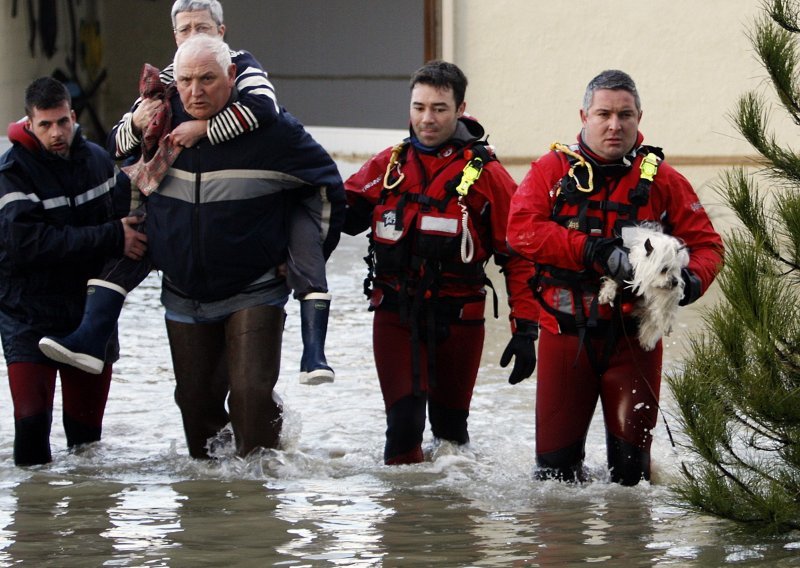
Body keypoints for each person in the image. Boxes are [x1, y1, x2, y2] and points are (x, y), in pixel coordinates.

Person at [40, 0, 338, 385]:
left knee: (253, 390)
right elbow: (118, 145)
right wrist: (135, 121)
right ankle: (89, 338)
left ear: (222, 34)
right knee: (127, 237)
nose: (193, 36)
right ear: (174, 37)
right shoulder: (166, 81)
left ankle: (314, 354)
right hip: (181, 278)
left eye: (202, 28)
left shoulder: (247, 70)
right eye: (185, 30)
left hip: (252, 279)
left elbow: (266, 110)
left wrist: (203, 129)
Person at [507, 69, 724, 486]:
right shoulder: (552, 172)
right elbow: (520, 229)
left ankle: (629, 548)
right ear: (584, 115)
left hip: (634, 341)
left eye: (625, 114)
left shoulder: (662, 179)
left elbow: (709, 246)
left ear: (639, 117)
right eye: (604, 113)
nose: (614, 124)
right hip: (565, 335)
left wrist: (688, 283)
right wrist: (593, 250)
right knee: (554, 480)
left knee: (632, 481)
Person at [140, 34, 343, 458]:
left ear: (232, 76)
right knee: (197, 416)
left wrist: (308, 256)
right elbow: (120, 173)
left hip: (255, 287)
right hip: (183, 291)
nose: (196, 92)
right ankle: (212, 515)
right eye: (187, 80)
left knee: (250, 399)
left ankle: (261, 500)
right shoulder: (157, 126)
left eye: (208, 79)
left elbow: (326, 187)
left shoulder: (273, 131)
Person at [343, 60, 539, 465]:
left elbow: (519, 256)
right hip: (396, 315)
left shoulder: (489, 176)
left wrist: (526, 330)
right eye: (418, 107)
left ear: (460, 108)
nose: (426, 119)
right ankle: (402, 523)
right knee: (402, 432)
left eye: (438, 108)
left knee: (452, 440)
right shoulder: (389, 165)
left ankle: (451, 523)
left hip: (458, 321)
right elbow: (335, 216)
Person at [0, 77, 146, 465]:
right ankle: (33, 523)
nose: (57, 133)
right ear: (29, 124)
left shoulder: (98, 160)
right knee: (31, 435)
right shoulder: (12, 172)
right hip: (28, 314)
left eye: (62, 122)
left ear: (74, 116)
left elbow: (127, 222)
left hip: (89, 312)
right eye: (45, 125)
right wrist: (110, 235)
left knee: (87, 446)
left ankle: (88, 524)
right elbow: (27, 246)